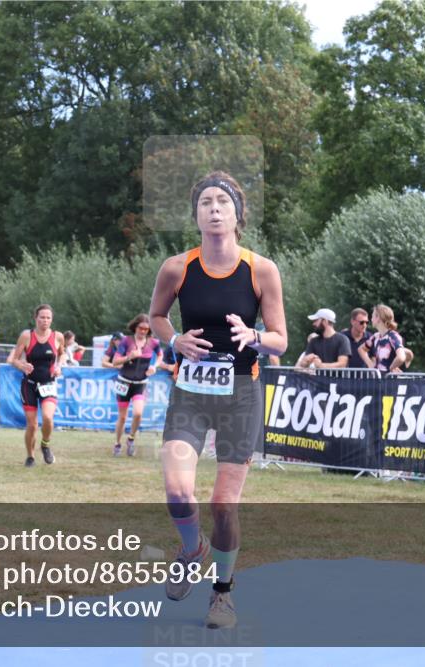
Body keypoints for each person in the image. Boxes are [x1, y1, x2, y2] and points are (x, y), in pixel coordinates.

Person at [149, 171, 287, 630]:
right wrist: (174, 342)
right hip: (190, 390)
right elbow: (156, 316)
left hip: (240, 395)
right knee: (175, 488)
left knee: (224, 505)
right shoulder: (177, 267)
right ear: (196, 215)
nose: (213, 208)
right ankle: (192, 549)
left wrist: (255, 336)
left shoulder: (261, 269)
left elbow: (281, 340)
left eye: (221, 202)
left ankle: (223, 593)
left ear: (236, 214)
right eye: (205, 202)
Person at [12, 304, 64, 467]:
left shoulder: (58, 336)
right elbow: (13, 359)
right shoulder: (27, 336)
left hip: (48, 383)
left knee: (48, 418)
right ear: (36, 318)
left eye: (48, 318)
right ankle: (30, 456)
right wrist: (22, 365)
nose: (45, 320)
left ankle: (45, 445)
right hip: (29, 385)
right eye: (42, 317)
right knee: (32, 425)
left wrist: (59, 366)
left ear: (52, 319)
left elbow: (62, 355)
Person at [110, 314, 161, 457]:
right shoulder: (126, 341)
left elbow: (160, 356)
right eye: (141, 328)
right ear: (135, 327)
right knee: (122, 417)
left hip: (140, 384)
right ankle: (117, 443)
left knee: (138, 413)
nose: (143, 331)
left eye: (146, 329)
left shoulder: (153, 343)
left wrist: (154, 366)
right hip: (124, 383)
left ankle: (131, 439)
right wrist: (129, 357)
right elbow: (115, 361)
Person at [359, 304, 407, 373]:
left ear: (378, 318)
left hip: (390, 381)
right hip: (379, 380)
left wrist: (391, 368)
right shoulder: (376, 336)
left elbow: (401, 357)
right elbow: (361, 349)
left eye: (372, 316)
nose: (371, 319)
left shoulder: (393, 336)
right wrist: (370, 364)